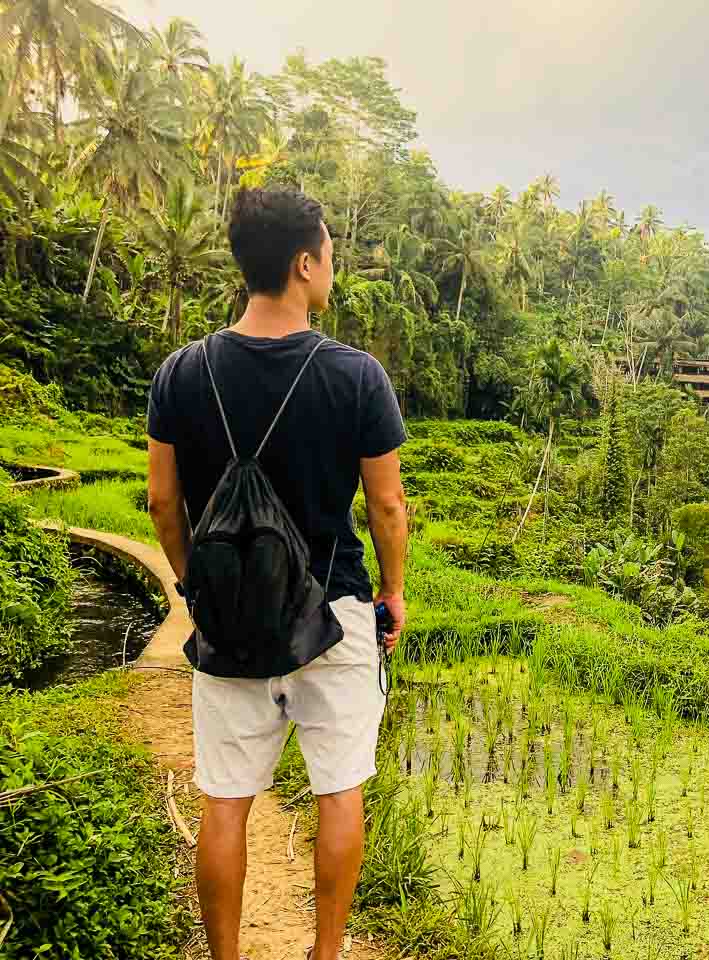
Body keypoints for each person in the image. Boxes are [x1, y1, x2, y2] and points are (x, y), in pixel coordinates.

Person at [145, 187, 408, 960]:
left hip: (229, 624)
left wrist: (197, 583)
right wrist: (393, 594)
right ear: (303, 263)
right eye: (329, 251)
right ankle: (324, 954)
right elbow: (387, 509)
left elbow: (163, 501)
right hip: (335, 613)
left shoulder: (181, 372)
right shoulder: (356, 375)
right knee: (339, 791)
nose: (333, 265)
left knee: (224, 802)